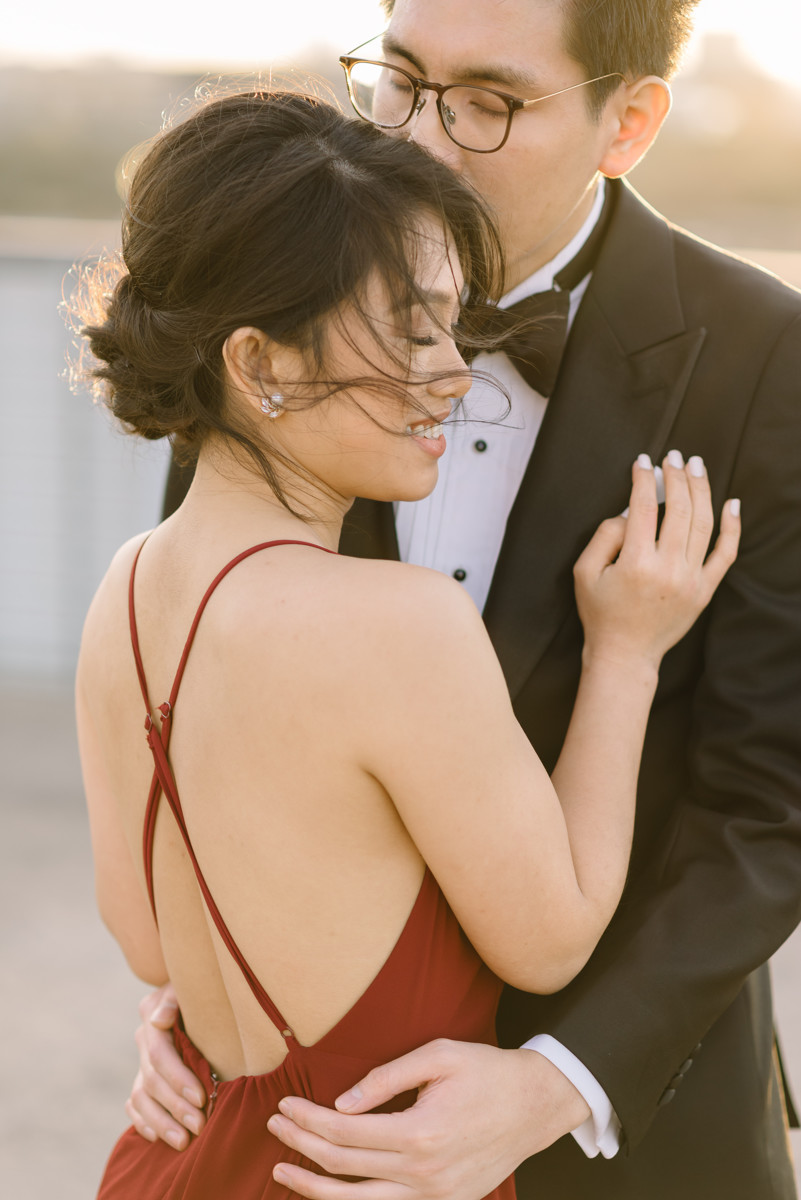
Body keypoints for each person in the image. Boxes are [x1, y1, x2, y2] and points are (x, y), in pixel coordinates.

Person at [132, 1, 801, 1197]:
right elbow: (214, 688)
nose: (418, 141)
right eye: (397, 82)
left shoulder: (769, 355)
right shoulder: (274, 303)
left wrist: (562, 1080)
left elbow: (774, 799)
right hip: (304, 1131)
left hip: (639, 1138)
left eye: (487, 104)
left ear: (629, 121)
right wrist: (208, 996)